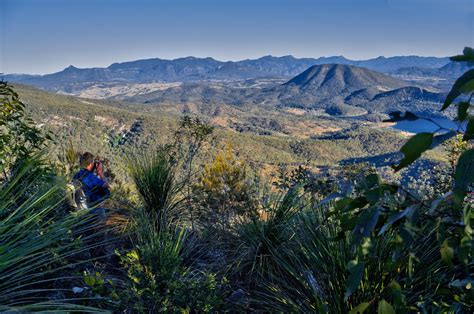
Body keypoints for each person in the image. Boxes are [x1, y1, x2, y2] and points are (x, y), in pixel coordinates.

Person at [73, 152, 111, 216]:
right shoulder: (90, 177)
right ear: (91, 164)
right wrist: (100, 172)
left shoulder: (76, 175)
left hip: (78, 207)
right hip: (90, 210)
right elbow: (106, 186)